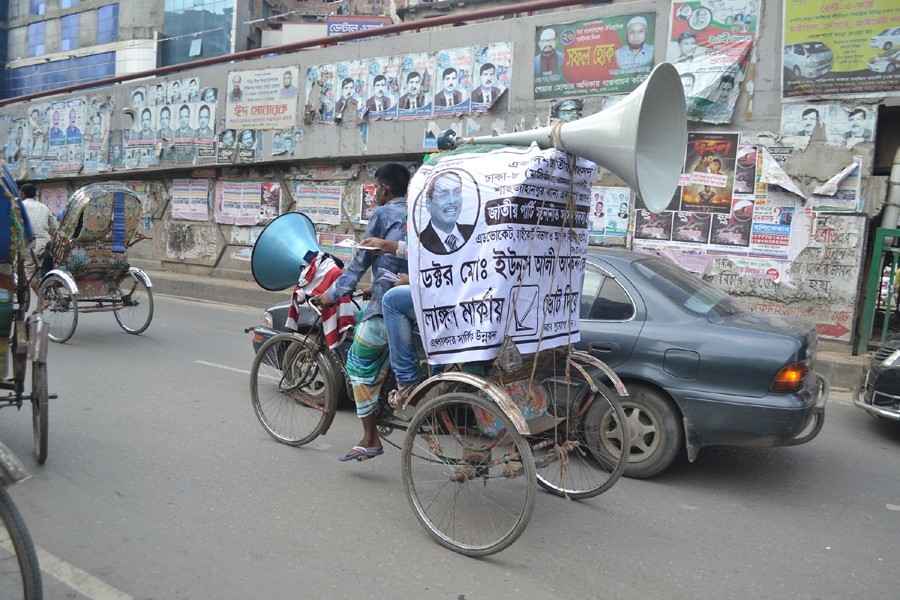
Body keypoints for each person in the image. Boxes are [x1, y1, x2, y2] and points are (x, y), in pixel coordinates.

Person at [314, 163, 411, 462]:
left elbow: (360, 261)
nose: (375, 194)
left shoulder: (383, 214)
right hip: (415, 299)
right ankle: (383, 395)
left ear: (383, 188)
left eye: (376, 188)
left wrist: (331, 294)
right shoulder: (416, 211)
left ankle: (370, 438)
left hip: (388, 307)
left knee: (357, 363)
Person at [419, 172, 473, 254]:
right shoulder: (419, 242)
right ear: (428, 204)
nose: (452, 201)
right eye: (444, 195)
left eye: (457, 193)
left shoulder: (474, 232)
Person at [20, 183, 58, 290]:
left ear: (23, 194)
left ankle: (43, 302)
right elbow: (53, 229)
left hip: (31, 247)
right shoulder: (44, 207)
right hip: (47, 245)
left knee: (28, 274)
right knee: (49, 273)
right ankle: (54, 295)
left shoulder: (20, 207)